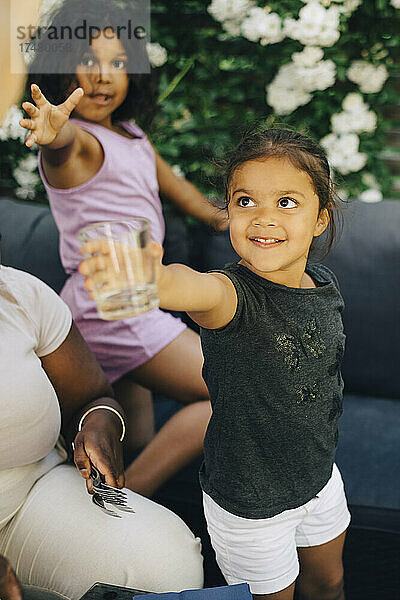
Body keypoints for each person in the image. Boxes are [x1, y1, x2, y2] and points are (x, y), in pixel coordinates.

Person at [80, 127, 351, 600]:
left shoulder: (322, 283)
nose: (263, 217)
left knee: (329, 584)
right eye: (245, 201)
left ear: (320, 218)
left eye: (286, 202)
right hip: (251, 506)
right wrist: (152, 277)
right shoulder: (229, 295)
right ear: (228, 212)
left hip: (319, 478)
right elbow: (188, 285)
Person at [19, 0, 226, 498]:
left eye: (116, 63)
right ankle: (132, 498)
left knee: (132, 435)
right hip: (114, 307)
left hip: (129, 302)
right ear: (59, 67)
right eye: (87, 61)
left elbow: (188, 198)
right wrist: (53, 134)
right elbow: (64, 142)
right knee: (231, 395)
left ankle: (108, 505)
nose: (103, 76)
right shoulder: (80, 144)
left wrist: (239, 221)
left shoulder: (133, 137)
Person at [0, 264, 203, 599]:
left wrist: (98, 423)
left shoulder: (20, 293)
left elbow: (93, 397)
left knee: (168, 562)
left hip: (31, 489)